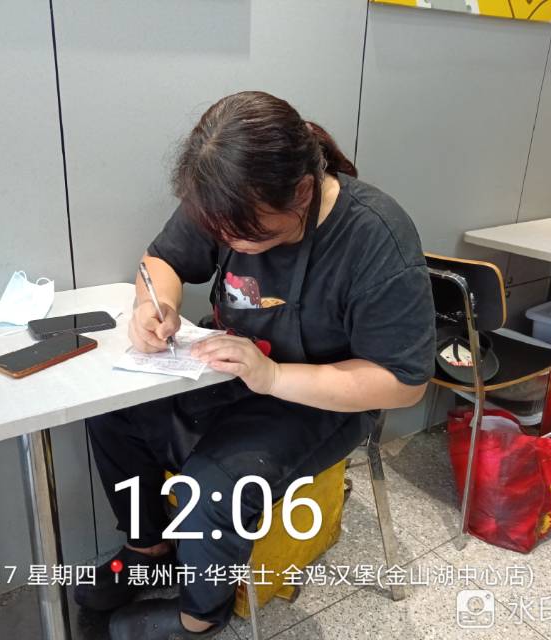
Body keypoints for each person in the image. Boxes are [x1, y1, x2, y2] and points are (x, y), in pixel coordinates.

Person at [75, 91, 436, 639]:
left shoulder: (374, 237)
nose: (232, 245)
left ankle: (199, 618)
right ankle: (149, 547)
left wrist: (274, 378)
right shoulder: (226, 195)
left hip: (325, 398)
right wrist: (156, 305)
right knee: (113, 414)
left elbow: (403, 383)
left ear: (303, 192)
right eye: (222, 235)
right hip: (232, 367)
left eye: (248, 236)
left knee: (212, 488)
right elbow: (163, 259)